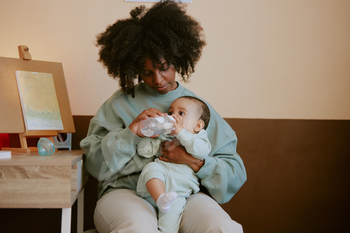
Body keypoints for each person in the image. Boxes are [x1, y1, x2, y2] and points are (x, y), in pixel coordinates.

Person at [80, 1, 247, 232]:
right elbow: (94, 164)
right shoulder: (118, 104)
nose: (157, 80)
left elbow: (235, 172)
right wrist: (130, 134)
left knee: (221, 228)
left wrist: (193, 161)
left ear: (177, 59)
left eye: (164, 68)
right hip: (127, 193)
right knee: (137, 229)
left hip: (186, 193)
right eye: (147, 73)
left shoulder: (198, 108)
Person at [136, 96, 211, 233]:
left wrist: (181, 133)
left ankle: (164, 202)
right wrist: (148, 136)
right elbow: (144, 152)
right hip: (154, 186)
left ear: (198, 126)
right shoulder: (166, 135)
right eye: (171, 113)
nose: (173, 116)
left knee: (169, 227)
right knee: (151, 167)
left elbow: (201, 153)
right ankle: (160, 197)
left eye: (181, 113)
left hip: (177, 193)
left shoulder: (199, 138)